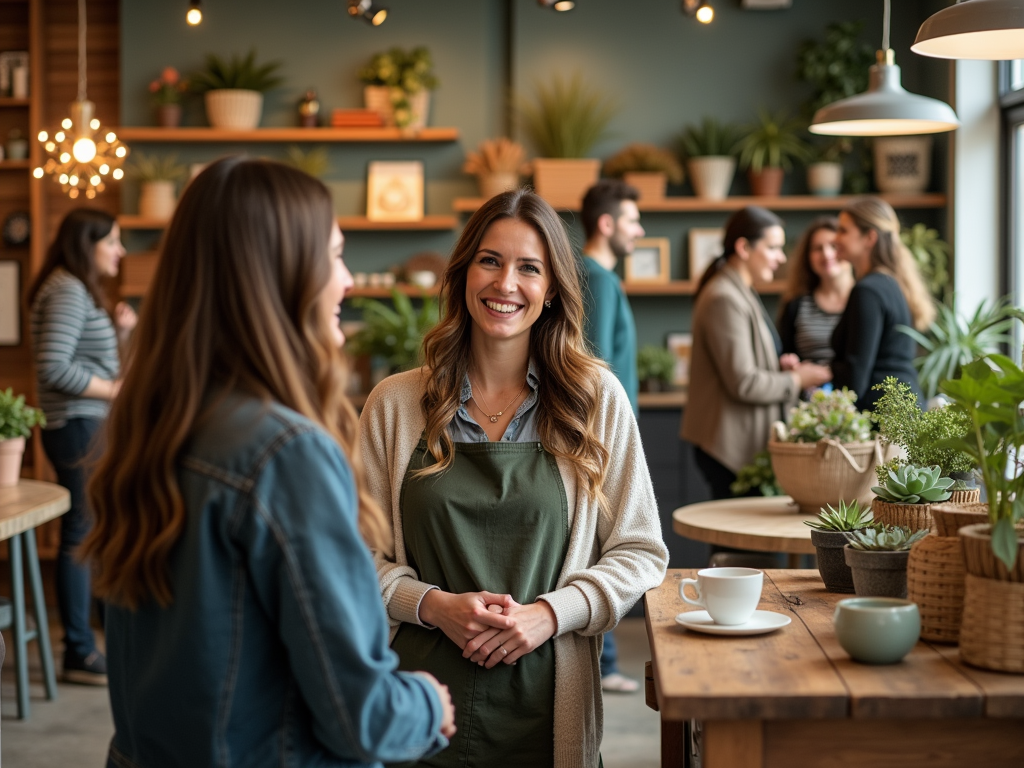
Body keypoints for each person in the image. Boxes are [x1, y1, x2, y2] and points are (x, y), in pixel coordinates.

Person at [80, 157, 456, 767]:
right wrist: (424, 704)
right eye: (333, 256)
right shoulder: (286, 454)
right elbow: (360, 716)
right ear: (279, 274)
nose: (348, 281)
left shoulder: (154, 427)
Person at [360, 188, 668, 768]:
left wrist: (549, 614)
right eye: (490, 261)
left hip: (548, 713)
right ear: (464, 274)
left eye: (529, 268)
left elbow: (640, 549)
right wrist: (433, 605)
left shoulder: (594, 400)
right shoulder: (396, 404)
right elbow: (354, 557)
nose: (506, 284)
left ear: (551, 289)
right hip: (416, 712)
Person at [27, 208, 136, 685]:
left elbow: (82, 361)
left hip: (84, 424)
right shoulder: (68, 289)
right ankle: (79, 650)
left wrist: (122, 332)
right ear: (86, 244)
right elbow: (53, 368)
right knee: (82, 535)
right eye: (112, 241)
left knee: (92, 532)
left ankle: (92, 642)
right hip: (77, 426)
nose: (120, 251)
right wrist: (115, 392)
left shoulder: (72, 290)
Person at [681, 206, 831, 499]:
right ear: (744, 247)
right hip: (728, 450)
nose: (782, 257)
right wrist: (798, 379)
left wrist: (780, 370)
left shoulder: (739, 291)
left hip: (739, 447)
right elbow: (744, 382)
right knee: (738, 543)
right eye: (773, 247)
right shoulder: (724, 297)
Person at [578, 179, 644, 694]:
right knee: (604, 544)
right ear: (606, 224)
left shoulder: (602, 277)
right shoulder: (597, 279)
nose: (639, 230)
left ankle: (606, 662)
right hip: (598, 436)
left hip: (607, 434)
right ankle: (602, 665)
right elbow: (591, 364)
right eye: (631, 220)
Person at [831, 196, 934, 412]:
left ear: (869, 238)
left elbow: (856, 374)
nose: (835, 238)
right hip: (902, 412)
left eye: (843, 230)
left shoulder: (868, 290)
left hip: (884, 419)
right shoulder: (890, 283)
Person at [778, 216, 854, 367]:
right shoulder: (796, 305)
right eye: (818, 248)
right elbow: (783, 353)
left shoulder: (867, 300)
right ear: (808, 257)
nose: (827, 254)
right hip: (811, 389)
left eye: (834, 246)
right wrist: (788, 363)